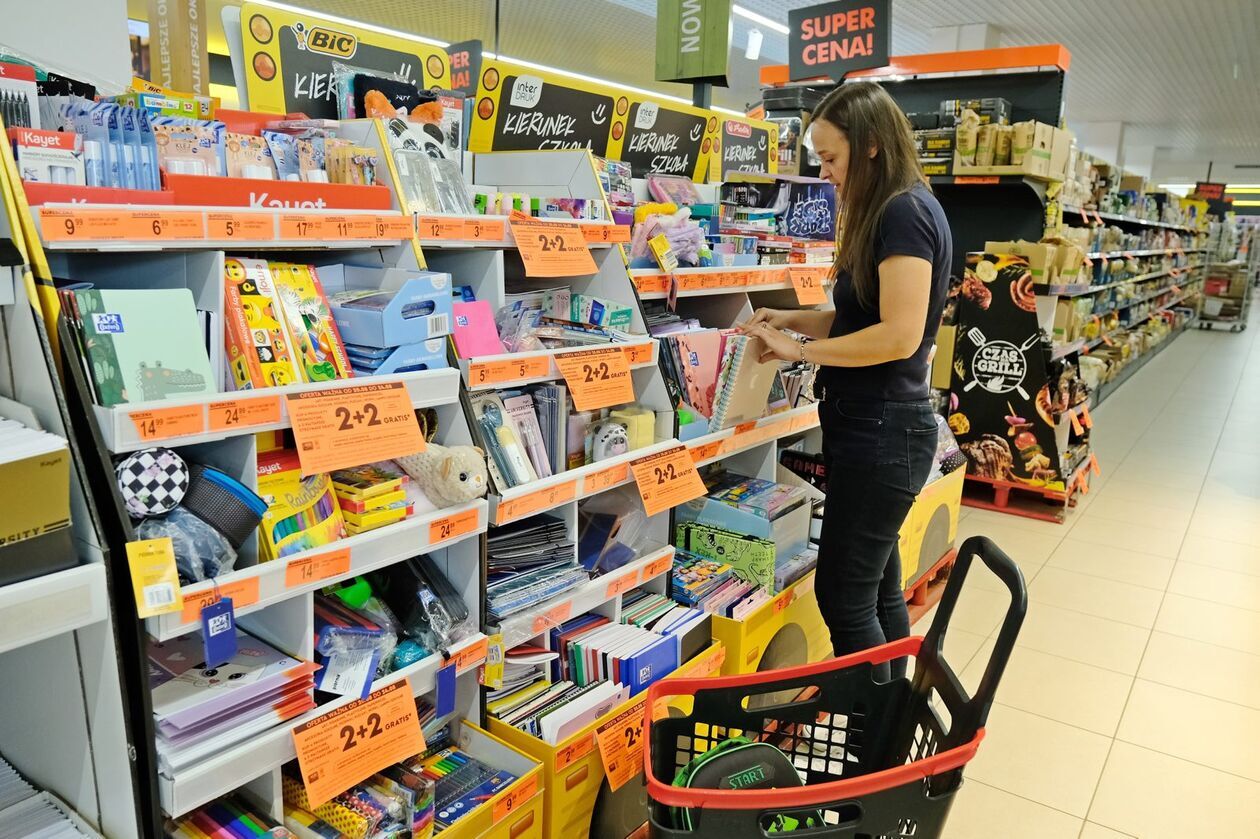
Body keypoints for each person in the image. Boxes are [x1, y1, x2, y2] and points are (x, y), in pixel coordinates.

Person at [740, 81, 950, 681]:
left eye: (831, 158)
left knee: (844, 597)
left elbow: (899, 335)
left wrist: (802, 349)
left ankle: (871, 745)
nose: (826, 173)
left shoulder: (902, 214)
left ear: (873, 146)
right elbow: (865, 315)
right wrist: (793, 320)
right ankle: (890, 719)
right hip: (877, 429)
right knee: (879, 593)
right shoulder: (902, 207)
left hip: (883, 433)